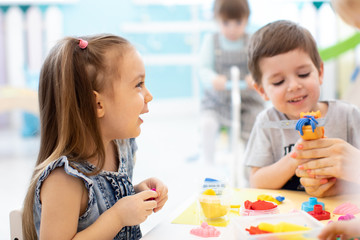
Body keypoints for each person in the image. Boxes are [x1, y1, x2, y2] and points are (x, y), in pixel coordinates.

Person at [22, 34, 168, 240]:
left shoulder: (120, 147)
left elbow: (102, 203)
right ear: (98, 104)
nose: (148, 95)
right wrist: (118, 217)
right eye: (138, 84)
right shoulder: (64, 180)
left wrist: (136, 194)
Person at [244, 20, 360, 195]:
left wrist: (336, 187)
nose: (294, 86)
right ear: (262, 91)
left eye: (303, 74)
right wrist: (296, 156)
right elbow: (257, 182)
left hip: (340, 212)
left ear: (320, 72)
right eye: (278, 82)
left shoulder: (347, 115)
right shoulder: (267, 122)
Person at [197, 0, 264, 164]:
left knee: (256, 124)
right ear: (217, 20)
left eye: (238, 22)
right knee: (207, 124)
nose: (232, 29)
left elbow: (261, 65)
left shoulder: (252, 40)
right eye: (226, 23)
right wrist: (213, 79)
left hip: (247, 101)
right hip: (217, 101)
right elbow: (204, 68)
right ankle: (208, 163)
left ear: (247, 19)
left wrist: (254, 76)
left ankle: (251, 166)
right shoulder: (211, 41)